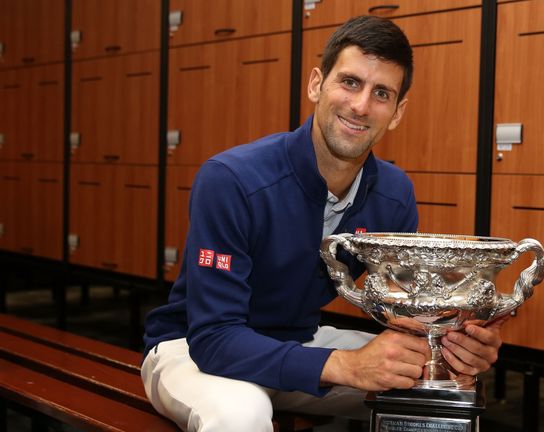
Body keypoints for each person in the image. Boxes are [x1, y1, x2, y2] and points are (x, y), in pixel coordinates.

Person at [141, 15, 507, 431]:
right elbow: (214, 338)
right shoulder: (232, 179)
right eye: (350, 82)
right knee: (240, 413)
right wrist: (346, 366)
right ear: (317, 84)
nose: (361, 105)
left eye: (381, 93)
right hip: (193, 351)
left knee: (436, 380)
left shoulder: (394, 192)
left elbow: (404, 312)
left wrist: (457, 342)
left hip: (299, 341)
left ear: (398, 111)